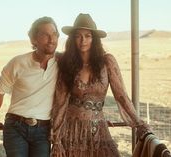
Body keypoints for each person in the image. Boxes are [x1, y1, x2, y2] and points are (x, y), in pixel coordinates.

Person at [50, 13, 151, 157]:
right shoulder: (66, 63)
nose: (83, 40)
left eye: (88, 35)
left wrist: (139, 124)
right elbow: (60, 102)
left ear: (94, 39)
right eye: (78, 35)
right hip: (71, 130)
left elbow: (121, 96)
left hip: (98, 129)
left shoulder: (107, 62)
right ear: (73, 39)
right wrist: (57, 140)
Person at [0, 16, 59, 157]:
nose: (51, 39)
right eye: (45, 35)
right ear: (33, 39)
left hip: (43, 130)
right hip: (16, 127)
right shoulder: (17, 63)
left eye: (54, 34)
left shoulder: (62, 63)